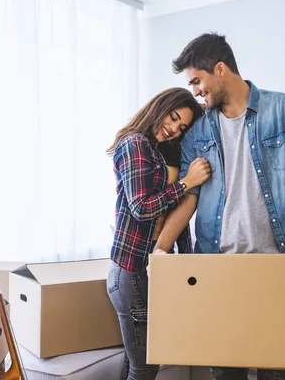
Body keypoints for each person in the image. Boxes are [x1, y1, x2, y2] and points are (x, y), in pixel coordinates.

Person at [152, 33, 285, 380]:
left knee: (279, 373)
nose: (196, 91)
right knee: (225, 373)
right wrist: (160, 248)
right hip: (218, 271)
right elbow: (191, 197)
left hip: (279, 268)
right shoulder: (197, 129)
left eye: (197, 81)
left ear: (219, 69)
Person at [105, 87, 211, 380]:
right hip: (131, 272)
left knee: (136, 365)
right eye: (173, 117)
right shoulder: (135, 144)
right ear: (160, 106)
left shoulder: (155, 149)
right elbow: (141, 207)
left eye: (182, 126)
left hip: (141, 272)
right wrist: (186, 183)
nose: (174, 129)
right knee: (144, 369)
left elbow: (174, 216)